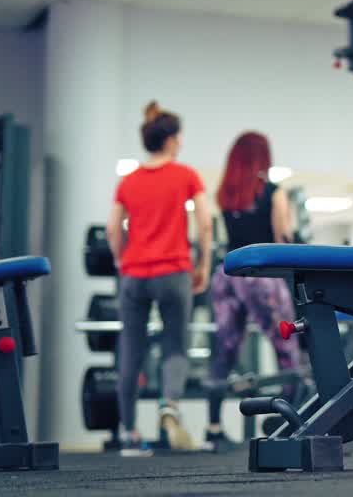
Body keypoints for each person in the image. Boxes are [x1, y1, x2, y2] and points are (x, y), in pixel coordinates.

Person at [105, 101, 212, 456]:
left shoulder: (129, 181)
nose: (181, 142)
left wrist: (121, 259)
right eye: (179, 137)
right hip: (173, 271)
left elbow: (112, 228)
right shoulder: (186, 175)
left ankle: (129, 432)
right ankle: (169, 407)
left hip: (134, 274)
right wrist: (204, 263)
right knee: (175, 345)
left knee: (131, 349)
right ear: (168, 140)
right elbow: (205, 223)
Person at [204, 131, 303, 449]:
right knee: (287, 347)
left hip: (228, 273)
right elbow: (283, 238)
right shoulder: (273, 193)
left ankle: (213, 426)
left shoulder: (225, 194)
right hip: (262, 277)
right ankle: (289, 422)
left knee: (224, 351)